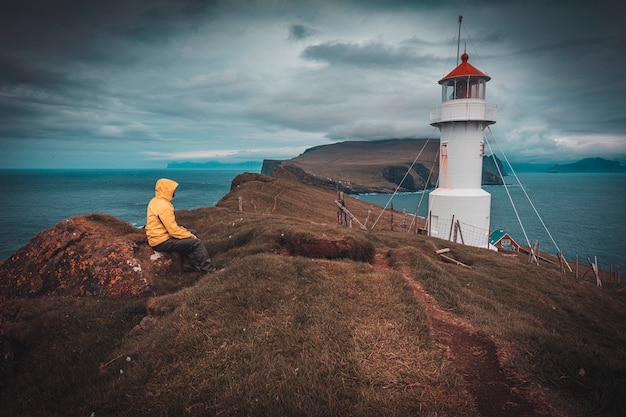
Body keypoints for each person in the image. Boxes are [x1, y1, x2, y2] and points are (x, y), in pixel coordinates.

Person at [146, 178, 218, 274]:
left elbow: (166, 225)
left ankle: (189, 265)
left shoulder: (155, 201)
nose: (174, 192)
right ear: (167, 190)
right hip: (161, 241)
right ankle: (209, 270)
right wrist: (189, 235)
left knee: (192, 232)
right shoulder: (164, 206)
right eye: (172, 190)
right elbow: (173, 231)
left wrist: (183, 230)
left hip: (158, 237)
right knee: (196, 242)